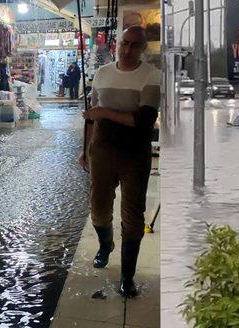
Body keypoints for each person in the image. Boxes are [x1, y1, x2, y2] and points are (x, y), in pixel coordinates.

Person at [80, 26, 160, 298]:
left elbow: (143, 120)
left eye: (135, 45)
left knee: (132, 214)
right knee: (98, 208)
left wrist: (104, 111)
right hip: (102, 149)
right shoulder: (102, 74)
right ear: (117, 44)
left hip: (135, 152)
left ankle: (128, 276)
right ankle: (106, 245)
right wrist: (85, 149)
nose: (127, 50)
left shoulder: (152, 76)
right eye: (124, 43)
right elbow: (91, 116)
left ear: (143, 49)